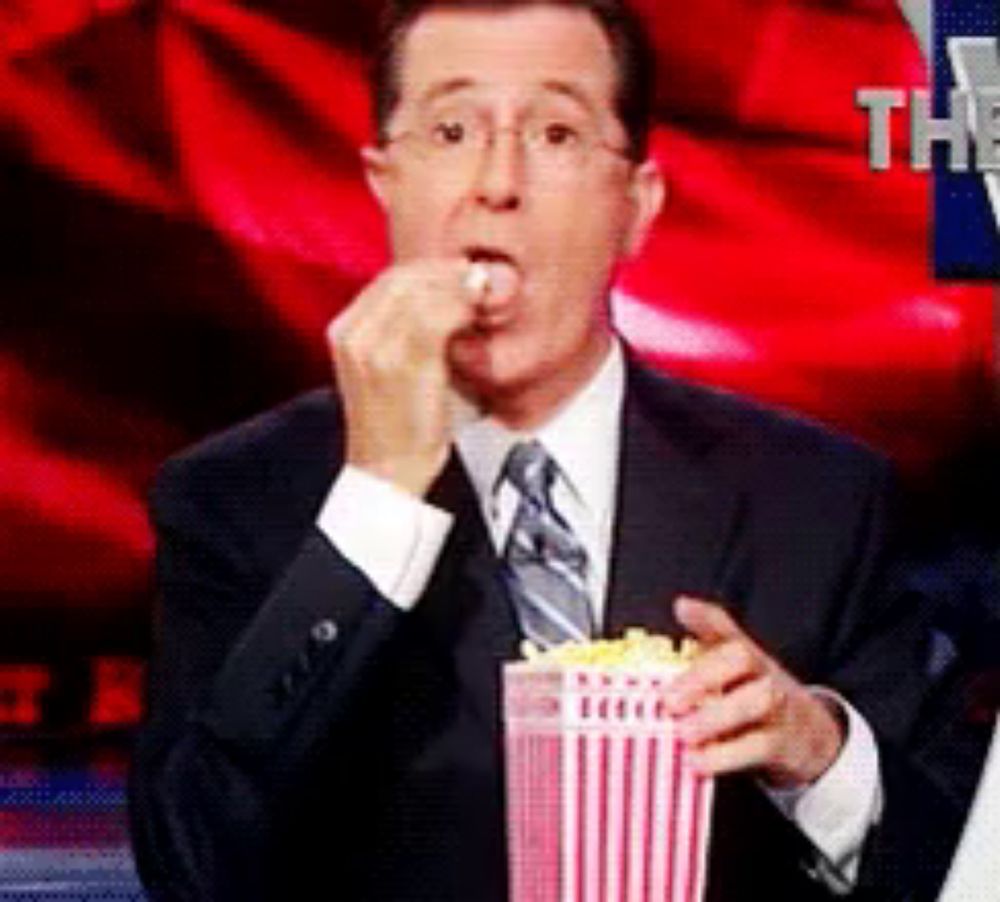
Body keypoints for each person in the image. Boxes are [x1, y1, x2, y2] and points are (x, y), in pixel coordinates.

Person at [128, 1, 983, 899]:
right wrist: (375, 505)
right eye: (452, 129)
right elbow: (192, 867)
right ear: (385, 182)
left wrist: (818, 759)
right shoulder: (235, 499)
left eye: (556, 133)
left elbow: (961, 858)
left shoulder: (820, 501)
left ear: (636, 207)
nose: (497, 181)